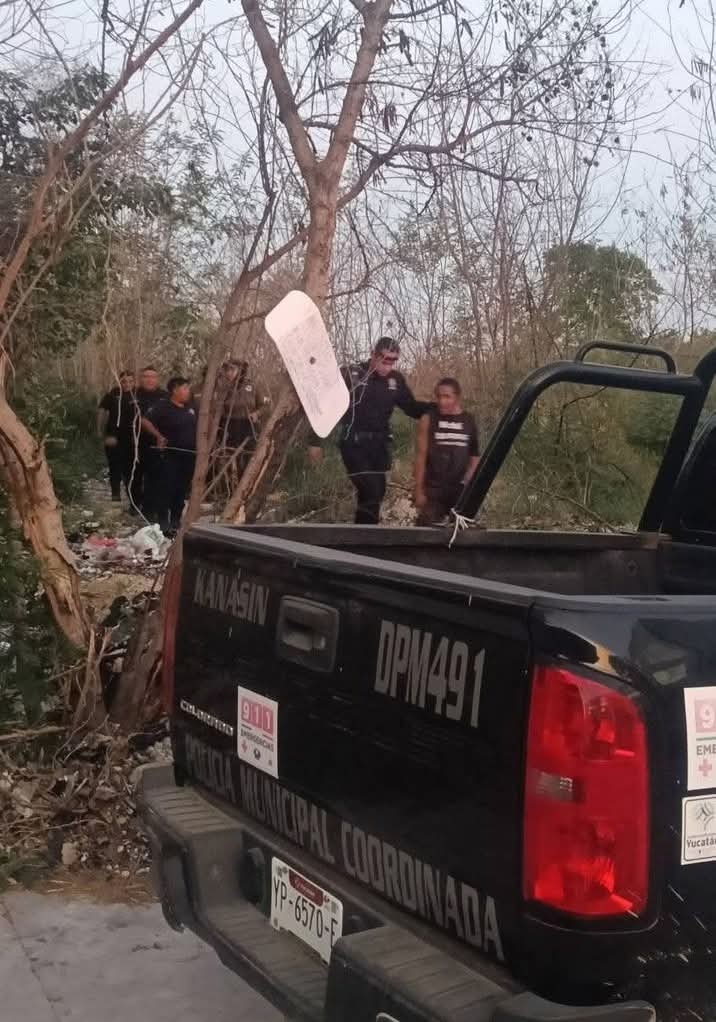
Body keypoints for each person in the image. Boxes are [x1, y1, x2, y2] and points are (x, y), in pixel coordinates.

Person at [308, 337, 430, 525]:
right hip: (354, 444)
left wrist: (439, 408)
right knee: (371, 491)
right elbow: (326, 406)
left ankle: (363, 533)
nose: (387, 365)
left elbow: (411, 407)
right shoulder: (352, 374)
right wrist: (315, 441)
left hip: (379, 446)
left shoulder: (395, 381)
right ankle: (366, 533)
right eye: (384, 359)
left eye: (393, 361)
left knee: (375, 494)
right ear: (373, 354)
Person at [414, 377, 480, 526]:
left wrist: (469, 483)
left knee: (463, 531)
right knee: (425, 532)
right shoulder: (428, 419)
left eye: (447, 397)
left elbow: (474, 456)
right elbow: (420, 457)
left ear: (457, 397)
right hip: (433, 490)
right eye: (439, 397)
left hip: (459, 491)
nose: (442, 401)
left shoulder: (469, 421)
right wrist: (418, 490)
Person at [141, 377, 197, 536]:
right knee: (166, 487)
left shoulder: (191, 407)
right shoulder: (162, 406)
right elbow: (144, 420)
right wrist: (158, 436)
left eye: (188, 388)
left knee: (181, 489)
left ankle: (176, 521)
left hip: (188, 455)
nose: (188, 392)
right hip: (169, 454)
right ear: (175, 390)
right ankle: (163, 522)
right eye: (185, 388)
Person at [215, 360, 270, 475]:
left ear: (240, 371)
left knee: (249, 456)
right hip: (230, 426)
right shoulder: (223, 387)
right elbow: (218, 408)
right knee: (230, 457)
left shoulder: (252, 385)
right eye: (227, 370)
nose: (229, 373)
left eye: (232, 369)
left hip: (248, 425)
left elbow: (265, 406)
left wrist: (256, 414)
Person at [97, 371, 137, 503]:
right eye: (124, 381)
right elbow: (102, 411)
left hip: (132, 437)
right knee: (114, 465)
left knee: (130, 468)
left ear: (134, 382)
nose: (127, 384)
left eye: (130, 381)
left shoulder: (137, 394)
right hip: (113, 436)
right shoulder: (113, 394)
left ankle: (132, 497)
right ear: (119, 382)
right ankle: (115, 495)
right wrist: (101, 432)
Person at [135, 366, 168, 519]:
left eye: (153, 377)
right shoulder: (133, 394)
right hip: (134, 441)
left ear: (157, 379)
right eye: (146, 376)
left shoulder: (165, 396)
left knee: (154, 475)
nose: (149, 380)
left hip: (157, 442)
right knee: (135, 475)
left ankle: (150, 508)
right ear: (141, 379)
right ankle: (135, 503)